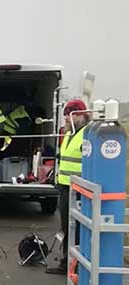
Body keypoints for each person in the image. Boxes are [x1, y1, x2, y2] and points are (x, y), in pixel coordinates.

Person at [46, 99, 89, 275]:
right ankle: (68, 262)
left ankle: (76, 265)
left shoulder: (87, 134)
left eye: (68, 115)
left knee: (78, 229)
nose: (65, 119)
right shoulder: (70, 133)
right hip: (65, 187)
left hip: (78, 190)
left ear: (79, 115)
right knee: (67, 226)